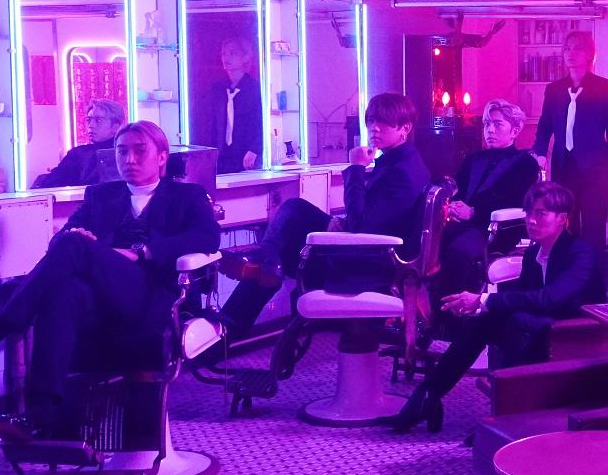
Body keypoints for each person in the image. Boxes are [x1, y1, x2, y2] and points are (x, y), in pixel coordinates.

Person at [0, 120, 218, 441]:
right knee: (62, 290)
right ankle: (41, 414)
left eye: (140, 151)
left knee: (73, 248)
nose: (129, 159)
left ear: (161, 157)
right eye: (122, 151)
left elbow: (208, 237)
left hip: (150, 294)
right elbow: (61, 242)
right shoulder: (100, 195)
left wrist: (143, 252)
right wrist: (79, 237)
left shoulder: (187, 195)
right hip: (101, 296)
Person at [378, 181, 603, 433]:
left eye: (541, 213)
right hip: (543, 324)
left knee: (516, 323)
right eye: (529, 212)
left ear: (562, 218)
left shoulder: (581, 253)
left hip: (575, 332)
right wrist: (479, 306)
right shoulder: (534, 254)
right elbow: (523, 295)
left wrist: (483, 300)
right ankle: (427, 397)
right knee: (483, 322)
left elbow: (550, 299)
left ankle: (508, 416)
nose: (531, 220)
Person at [218, 92, 431, 339]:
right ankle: (262, 270)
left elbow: (360, 224)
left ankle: (230, 326)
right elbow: (374, 217)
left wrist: (357, 167)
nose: (374, 128)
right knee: (294, 212)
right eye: (371, 121)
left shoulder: (401, 172)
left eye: (383, 122)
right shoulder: (402, 162)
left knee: (289, 228)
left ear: (405, 128)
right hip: (371, 253)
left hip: (370, 265)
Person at [436, 98, 539, 295]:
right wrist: (451, 206)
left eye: (497, 124)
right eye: (487, 124)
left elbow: (516, 201)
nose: (490, 130)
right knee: (426, 243)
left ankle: (454, 309)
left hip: (497, 229)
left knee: (457, 253)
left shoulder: (525, 164)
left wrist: (474, 212)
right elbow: (458, 189)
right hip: (463, 225)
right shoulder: (473, 159)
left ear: (515, 131)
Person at [531, 30, 608, 249]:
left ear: (590, 53)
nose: (571, 53)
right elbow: (545, 126)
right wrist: (539, 153)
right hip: (563, 168)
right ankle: (566, 268)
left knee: (594, 229)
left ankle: (594, 271)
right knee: (564, 227)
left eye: (577, 48)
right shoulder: (554, 90)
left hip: (595, 171)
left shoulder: (605, 88)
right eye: (567, 48)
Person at [32, 98, 124, 188]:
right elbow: (52, 181)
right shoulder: (78, 154)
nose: (91, 125)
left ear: (115, 127)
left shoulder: (124, 153)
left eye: (98, 121)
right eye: (88, 120)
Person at [207, 35, 262, 174]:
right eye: (223, 53)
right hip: (222, 155)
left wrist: (255, 149)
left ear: (246, 57)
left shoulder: (255, 89)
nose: (226, 58)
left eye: (232, 53)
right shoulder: (218, 89)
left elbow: (260, 122)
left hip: (246, 154)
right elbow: (213, 125)